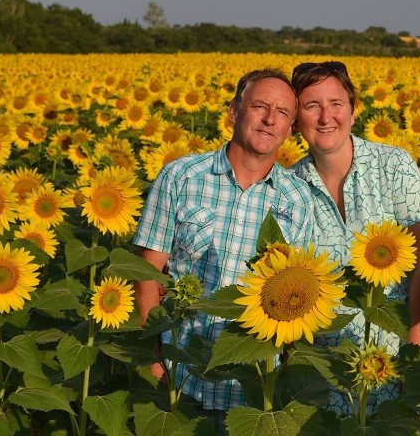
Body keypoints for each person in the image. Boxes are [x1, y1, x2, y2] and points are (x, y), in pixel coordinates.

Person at [133, 68, 315, 422]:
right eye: (259, 107)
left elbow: (302, 294)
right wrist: (153, 364)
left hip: (251, 391)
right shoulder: (181, 177)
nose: (268, 120)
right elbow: (147, 273)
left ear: (291, 129)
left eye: (282, 114)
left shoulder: (299, 200)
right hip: (179, 382)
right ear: (234, 111)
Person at [290, 60, 420, 413]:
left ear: (353, 112)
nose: (326, 117)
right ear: (297, 120)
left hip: (393, 360)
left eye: (336, 104)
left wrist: (416, 349)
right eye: (312, 107)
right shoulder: (289, 186)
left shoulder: (393, 166)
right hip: (321, 370)